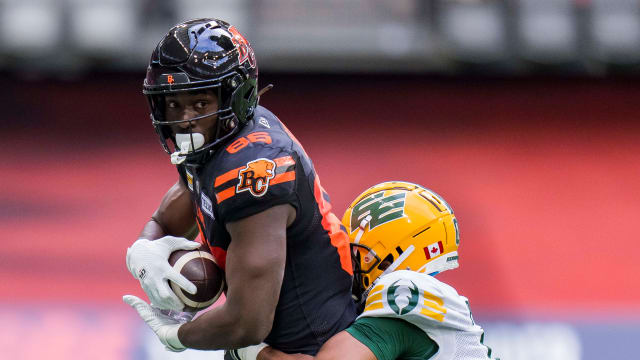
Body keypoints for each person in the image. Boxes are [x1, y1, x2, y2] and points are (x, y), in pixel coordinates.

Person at [122, 18, 356, 354]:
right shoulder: (217, 135)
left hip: (310, 349)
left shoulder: (254, 168)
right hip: (265, 344)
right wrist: (144, 249)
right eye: (173, 103)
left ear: (238, 96)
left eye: (200, 103)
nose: (184, 119)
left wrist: (178, 335)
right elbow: (166, 219)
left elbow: (248, 322)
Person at [234, 181, 498, 360]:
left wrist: (252, 349)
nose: (349, 263)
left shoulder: (403, 288)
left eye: (360, 253)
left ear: (397, 251)